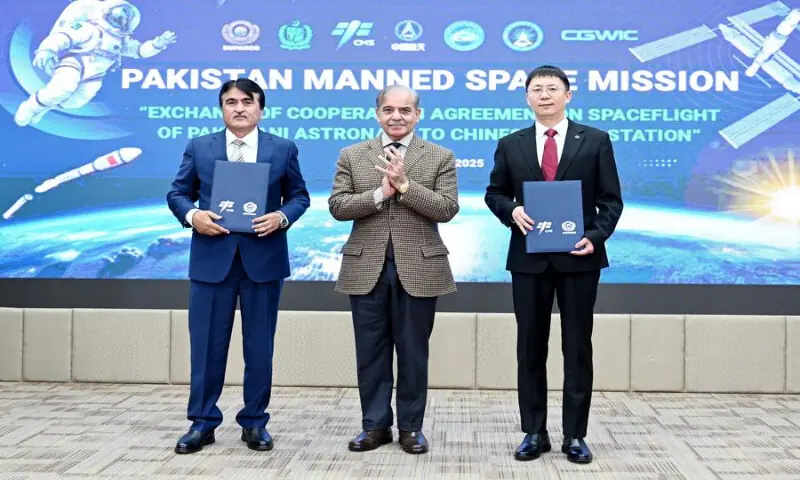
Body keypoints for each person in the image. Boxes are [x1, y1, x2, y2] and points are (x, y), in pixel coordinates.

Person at [485, 65, 623, 464]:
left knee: (577, 347)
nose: (544, 95)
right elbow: (494, 193)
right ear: (527, 97)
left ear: (568, 95)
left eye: (552, 88)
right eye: (536, 89)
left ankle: (575, 435)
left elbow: (611, 201)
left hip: (579, 259)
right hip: (528, 260)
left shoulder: (595, 140)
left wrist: (594, 237)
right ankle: (534, 431)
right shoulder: (511, 144)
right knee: (529, 348)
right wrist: (512, 211)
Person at [166, 78, 310, 454]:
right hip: (212, 261)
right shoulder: (200, 147)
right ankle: (202, 422)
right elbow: (177, 193)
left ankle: (255, 422)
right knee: (207, 347)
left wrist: (281, 216)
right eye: (231, 102)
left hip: (263, 261)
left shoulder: (282, 148)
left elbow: (299, 196)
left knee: (260, 348)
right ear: (222, 108)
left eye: (248, 102)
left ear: (261, 108)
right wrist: (193, 215)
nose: (240, 108)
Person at [328, 85, 459, 454]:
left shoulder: (439, 156)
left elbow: (446, 209)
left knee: (414, 352)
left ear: (418, 114)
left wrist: (405, 186)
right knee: (370, 351)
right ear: (377, 114)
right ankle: (374, 426)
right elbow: (338, 206)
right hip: (364, 267)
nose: (396, 116)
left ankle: (411, 428)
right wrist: (380, 195)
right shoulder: (353, 155)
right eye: (389, 110)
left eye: (405, 110)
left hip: (420, 268)